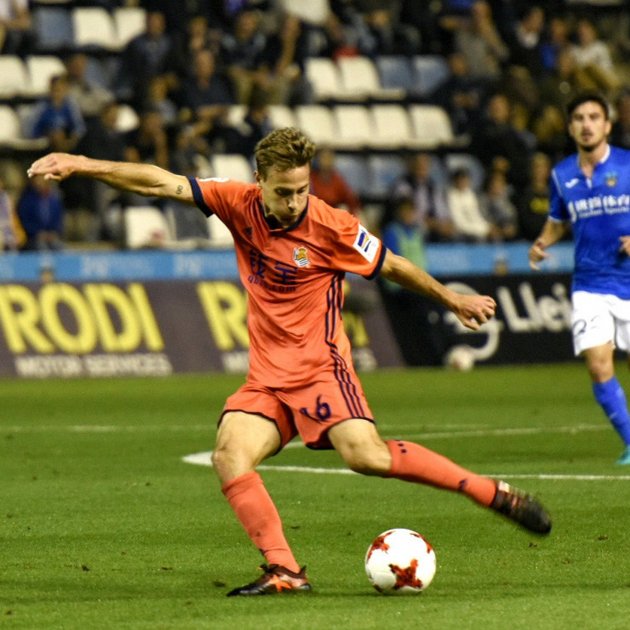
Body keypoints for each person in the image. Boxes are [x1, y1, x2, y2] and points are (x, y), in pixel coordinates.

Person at [28, 126, 551, 596]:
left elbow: (392, 265)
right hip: (267, 378)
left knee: (365, 457)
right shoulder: (236, 202)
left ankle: (490, 493)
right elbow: (160, 183)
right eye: (283, 192)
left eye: (302, 189)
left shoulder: (332, 226)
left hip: (321, 369)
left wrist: (452, 299)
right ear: (259, 181)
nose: (295, 201)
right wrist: (82, 163)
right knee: (230, 455)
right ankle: (285, 569)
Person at [529, 93, 630, 466]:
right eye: (579, 118)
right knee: (599, 365)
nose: (587, 124)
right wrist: (542, 242)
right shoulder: (561, 175)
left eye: (594, 117)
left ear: (607, 124)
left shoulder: (628, 165)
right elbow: (558, 221)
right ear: (570, 128)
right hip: (590, 283)